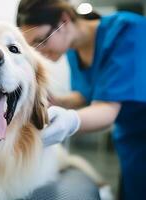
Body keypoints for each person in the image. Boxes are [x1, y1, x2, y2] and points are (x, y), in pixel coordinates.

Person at [16, 0, 146, 199]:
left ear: (64, 20)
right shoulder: (72, 51)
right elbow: (88, 94)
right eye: (31, 47)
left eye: (41, 41)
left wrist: (69, 121)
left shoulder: (127, 31)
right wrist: (58, 101)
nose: (38, 53)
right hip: (129, 139)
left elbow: (107, 108)